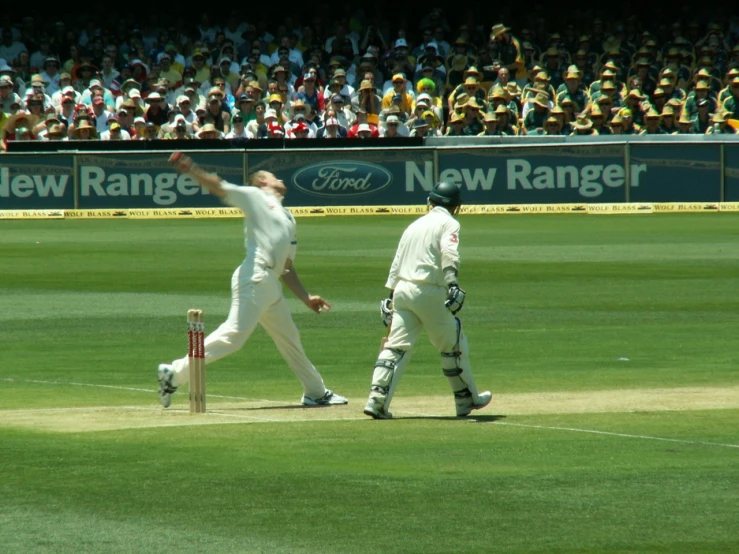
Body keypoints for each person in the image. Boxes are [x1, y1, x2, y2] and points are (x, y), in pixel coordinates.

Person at [157, 153, 348, 408]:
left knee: (290, 337)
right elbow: (218, 186)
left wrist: (306, 297)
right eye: (272, 176)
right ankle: (176, 372)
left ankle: (315, 391)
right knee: (234, 336)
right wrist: (191, 169)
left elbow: (287, 268)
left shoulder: (288, 217)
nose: (279, 178)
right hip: (255, 277)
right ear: (262, 182)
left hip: (270, 284)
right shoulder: (256, 196)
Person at [363, 181, 492, 420]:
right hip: (429, 291)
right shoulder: (449, 223)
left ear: (431, 201)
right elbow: (449, 253)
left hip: (402, 290)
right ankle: (467, 399)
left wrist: (390, 296)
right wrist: (452, 283)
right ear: (455, 206)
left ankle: (377, 401)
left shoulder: (413, 225)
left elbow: (397, 262)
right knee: (453, 345)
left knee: (395, 347)